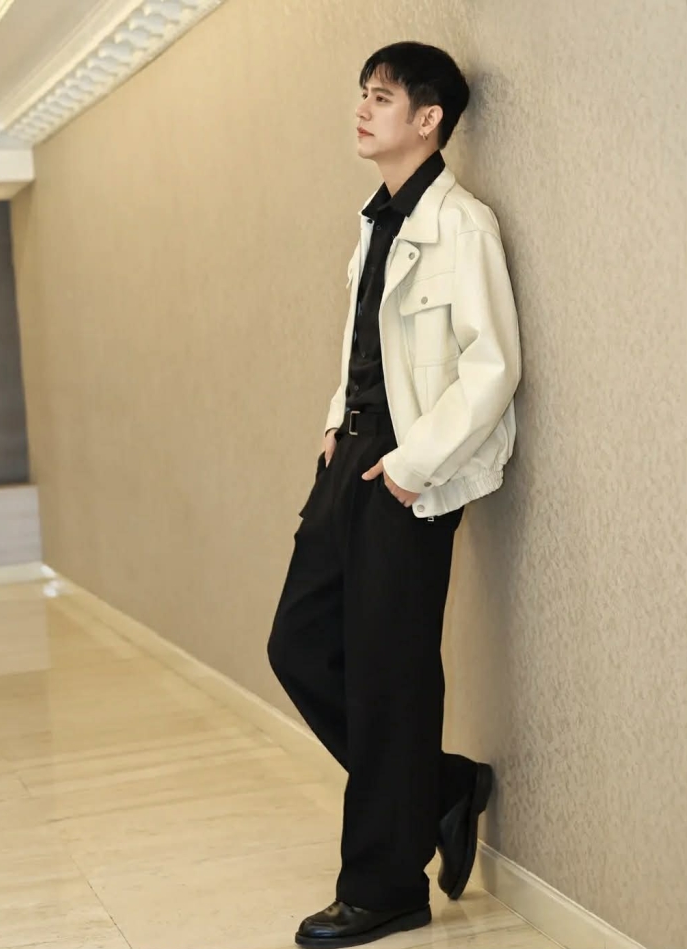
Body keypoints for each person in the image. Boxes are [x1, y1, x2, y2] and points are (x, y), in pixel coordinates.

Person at [266, 41, 522, 948]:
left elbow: (492, 367)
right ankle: (442, 785)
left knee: (389, 676)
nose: (363, 109)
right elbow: (367, 345)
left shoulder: (464, 226)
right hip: (353, 459)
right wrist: (335, 422)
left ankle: (384, 887)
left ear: (429, 119)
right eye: (362, 95)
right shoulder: (376, 221)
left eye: (382, 97)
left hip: (412, 472)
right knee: (299, 645)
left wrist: (415, 464)